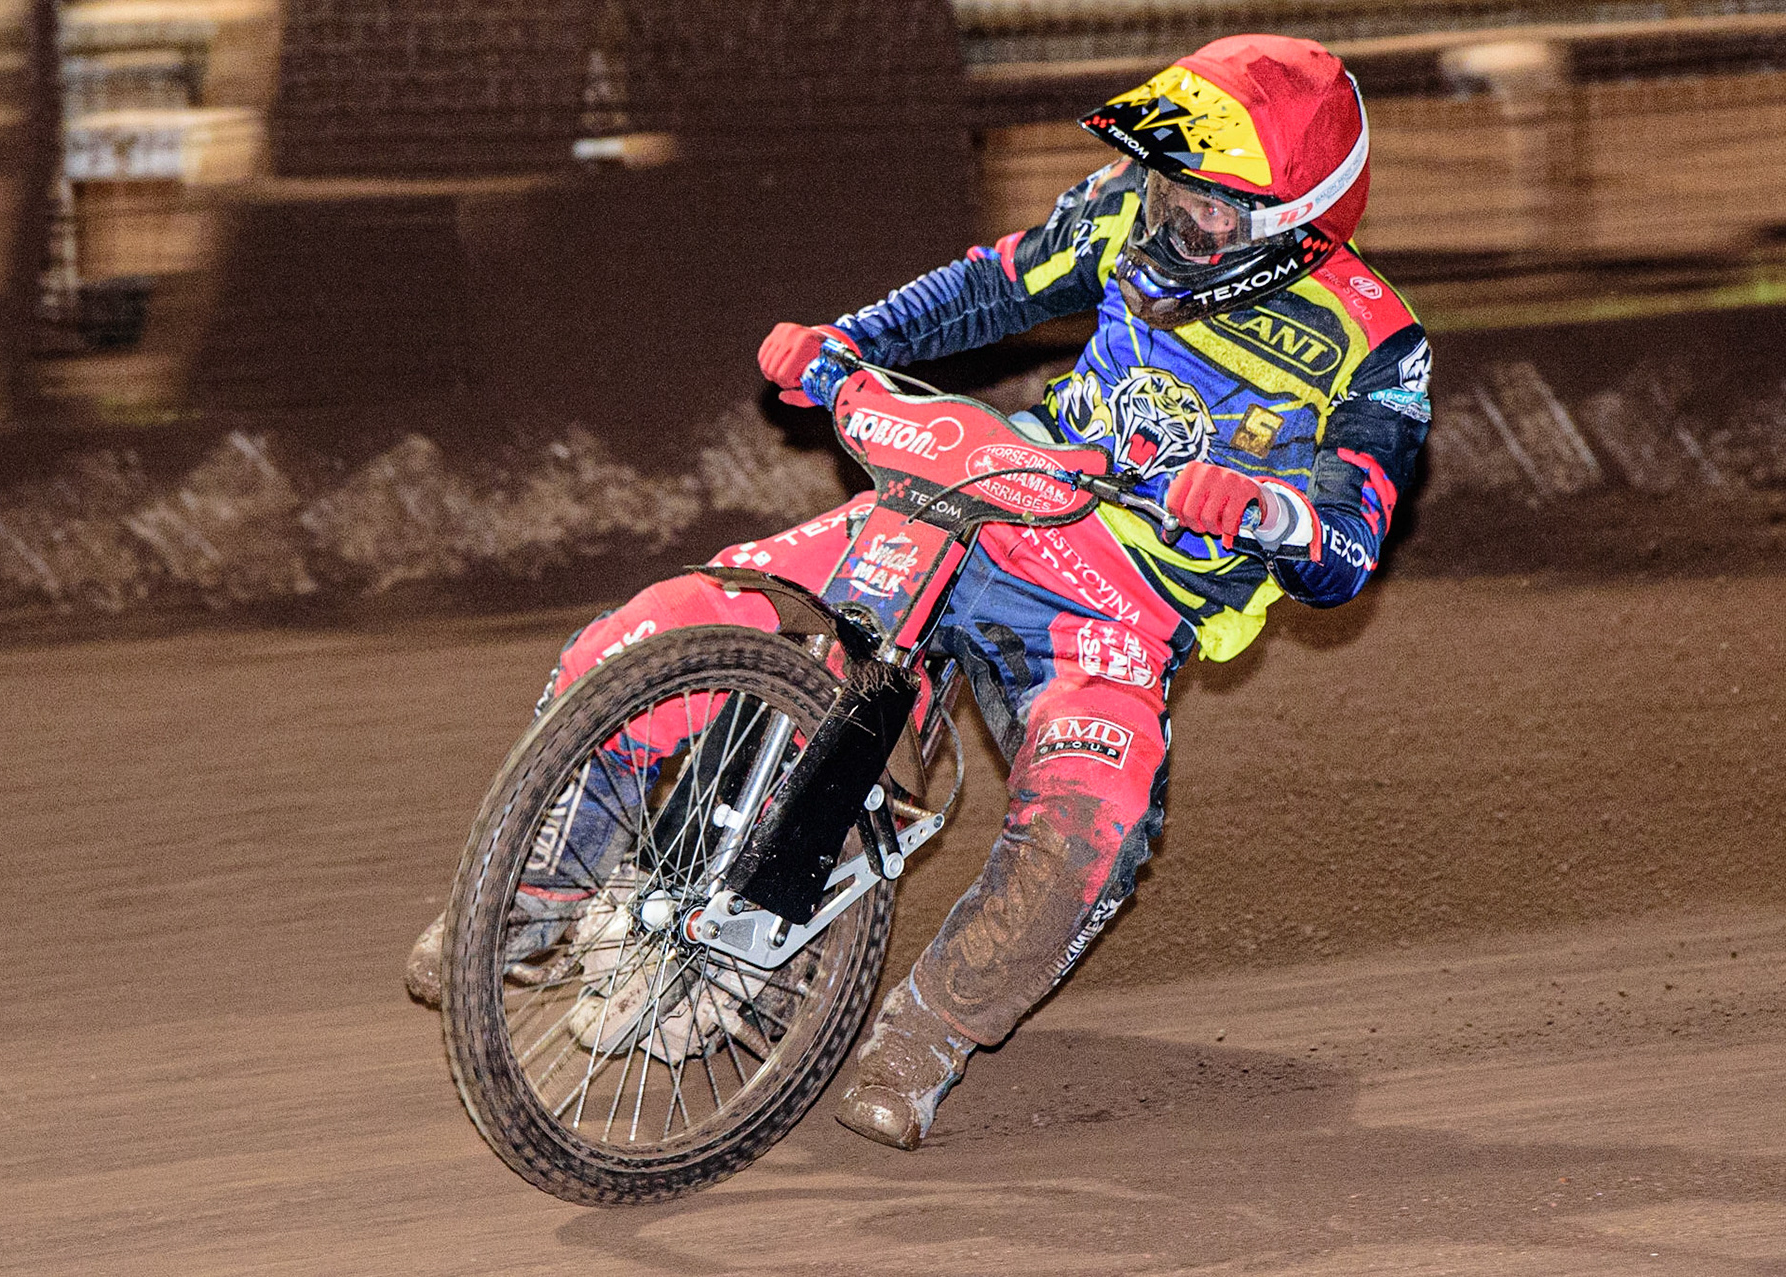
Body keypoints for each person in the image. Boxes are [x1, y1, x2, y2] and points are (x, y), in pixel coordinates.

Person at [408, 33, 1431, 1151]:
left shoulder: (1377, 344)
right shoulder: (1125, 213)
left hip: (1117, 613)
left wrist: (1267, 510)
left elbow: (1347, 547)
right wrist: (849, 342)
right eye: (1163, 177)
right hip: (997, 489)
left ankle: (922, 1039)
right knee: (652, 633)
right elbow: (993, 286)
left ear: (1293, 223)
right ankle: (535, 893)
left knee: (1097, 825)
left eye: (1206, 202)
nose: (1169, 208)